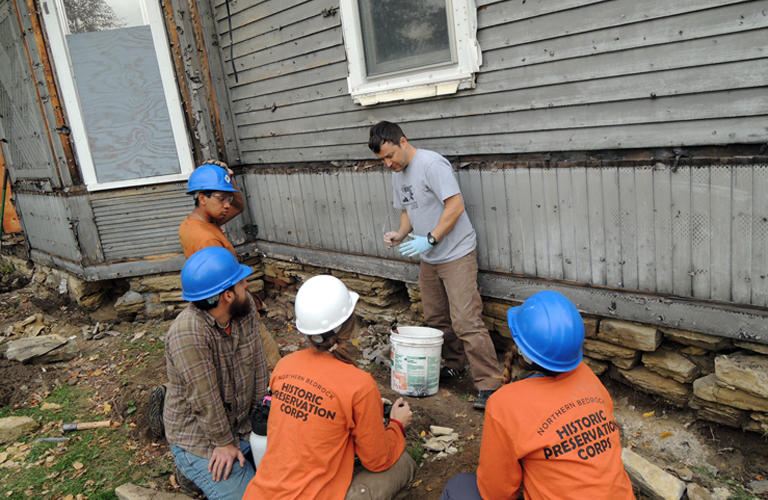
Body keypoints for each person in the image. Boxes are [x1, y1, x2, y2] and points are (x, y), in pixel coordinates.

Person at [440, 291, 635, 500]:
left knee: (459, 487)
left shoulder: (505, 403)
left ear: (522, 351)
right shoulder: (588, 378)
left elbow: (497, 493)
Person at [243, 275, 417, 500]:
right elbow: (376, 460)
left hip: (260, 494)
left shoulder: (284, 366)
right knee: (404, 463)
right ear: (349, 324)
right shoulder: (359, 384)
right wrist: (396, 425)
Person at [368, 121, 502, 409]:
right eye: (382, 160)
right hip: (429, 257)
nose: (388, 163)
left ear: (402, 141)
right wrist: (401, 234)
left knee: (466, 320)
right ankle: (455, 364)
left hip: (456, 252)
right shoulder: (397, 174)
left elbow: (455, 205)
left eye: (390, 155)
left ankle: (490, 384)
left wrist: (429, 239)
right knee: (436, 317)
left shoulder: (431, 164)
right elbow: (408, 209)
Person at [163, 246, 269, 500]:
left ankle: (235, 459)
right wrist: (222, 443)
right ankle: (190, 468)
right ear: (227, 296)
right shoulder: (188, 334)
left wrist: (260, 423)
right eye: (240, 282)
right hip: (202, 436)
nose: (246, 283)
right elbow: (204, 398)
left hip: (241, 422)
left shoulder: (245, 311)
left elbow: (258, 366)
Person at [179, 160, 245, 258]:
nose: (227, 205)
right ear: (202, 199)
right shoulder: (208, 240)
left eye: (229, 199)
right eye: (221, 199)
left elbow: (237, 206)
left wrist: (226, 177)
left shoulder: (191, 223)